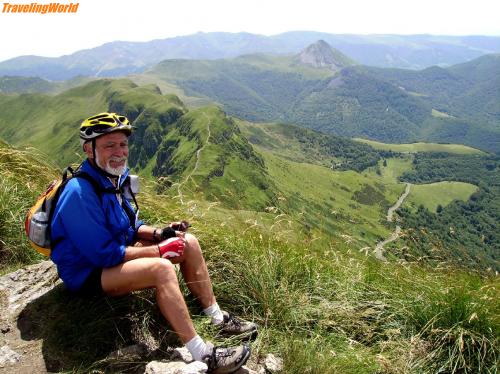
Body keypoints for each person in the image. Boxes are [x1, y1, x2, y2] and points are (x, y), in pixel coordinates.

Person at [50, 112, 257, 373]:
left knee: (188, 241)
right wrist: (159, 251)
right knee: (162, 269)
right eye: (109, 145)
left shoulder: (114, 178)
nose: (119, 152)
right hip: (89, 273)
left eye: (123, 144)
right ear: (89, 150)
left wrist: (161, 233)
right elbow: (104, 255)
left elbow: (132, 225)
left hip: (114, 257)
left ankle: (216, 317)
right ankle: (203, 354)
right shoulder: (79, 193)